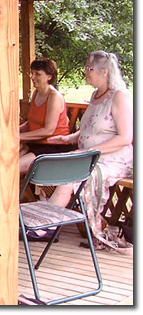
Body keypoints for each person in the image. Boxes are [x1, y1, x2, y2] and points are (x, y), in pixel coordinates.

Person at [0, 58, 71, 235]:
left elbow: (48, 130)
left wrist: (16, 136)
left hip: (52, 147)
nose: (33, 77)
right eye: (31, 73)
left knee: (9, 168)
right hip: (35, 144)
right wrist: (11, 131)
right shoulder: (36, 94)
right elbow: (30, 123)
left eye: (37, 74)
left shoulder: (54, 96)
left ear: (49, 76)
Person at [47, 51, 133, 252]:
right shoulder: (95, 95)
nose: (85, 71)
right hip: (88, 156)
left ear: (104, 72)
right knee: (50, 165)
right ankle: (47, 220)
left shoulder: (119, 96)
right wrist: (68, 139)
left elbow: (125, 138)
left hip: (113, 159)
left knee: (71, 178)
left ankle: (47, 226)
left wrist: (92, 150)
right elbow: (89, 129)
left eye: (89, 68)